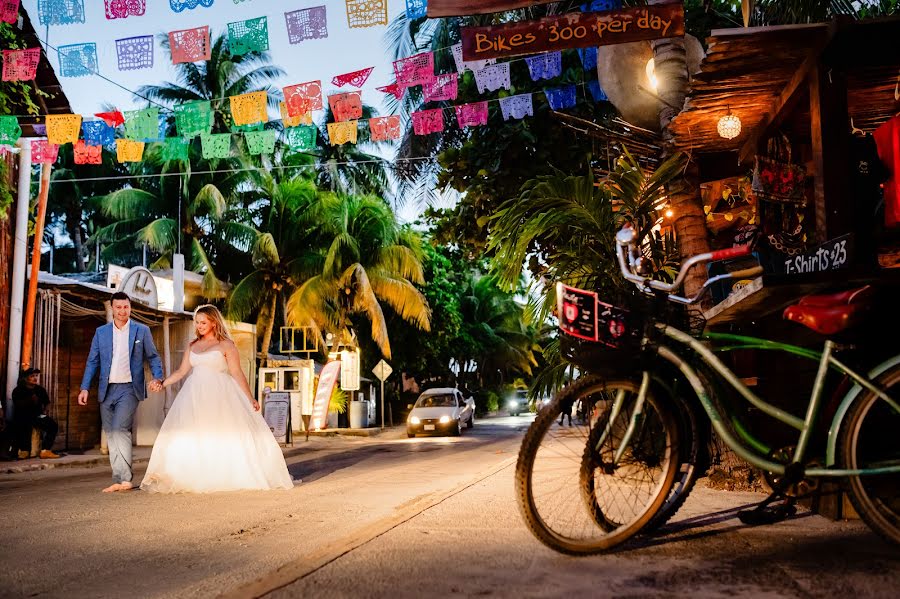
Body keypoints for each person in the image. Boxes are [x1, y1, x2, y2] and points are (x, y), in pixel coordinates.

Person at [140, 304, 293, 493]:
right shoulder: (192, 346)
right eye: (197, 323)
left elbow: (237, 372)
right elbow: (181, 372)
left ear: (213, 322)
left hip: (220, 395)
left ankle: (226, 473)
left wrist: (250, 398)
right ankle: (193, 474)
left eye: (203, 322)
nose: (199, 326)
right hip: (194, 395)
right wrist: (162, 383)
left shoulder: (226, 345)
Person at [78, 292, 164, 493]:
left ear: (130, 308)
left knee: (119, 429)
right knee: (111, 433)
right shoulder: (101, 332)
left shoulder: (141, 331)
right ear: (112, 308)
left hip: (129, 388)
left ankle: (125, 479)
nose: (123, 311)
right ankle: (119, 478)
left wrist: (157, 377)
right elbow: (93, 361)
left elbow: (153, 356)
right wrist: (84, 387)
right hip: (106, 389)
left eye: (126, 307)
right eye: (118, 307)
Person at [11, 368, 61, 459]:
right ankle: (24, 450)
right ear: (26, 378)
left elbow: (47, 402)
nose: (35, 378)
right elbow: (17, 404)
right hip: (22, 416)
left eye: (36, 376)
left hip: (37, 416)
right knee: (23, 424)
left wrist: (46, 410)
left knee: (53, 425)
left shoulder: (40, 389)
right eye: (32, 376)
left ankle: (45, 450)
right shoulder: (18, 390)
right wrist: (30, 400)